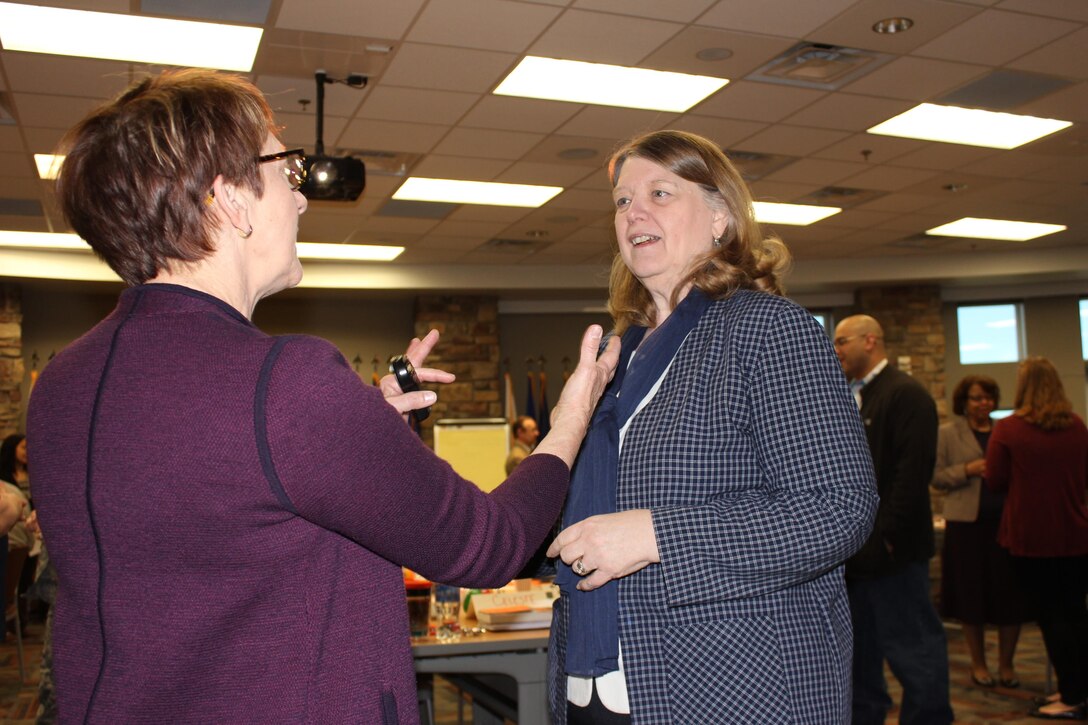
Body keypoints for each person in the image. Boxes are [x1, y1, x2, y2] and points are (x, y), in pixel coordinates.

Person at [27, 68, 620, 723]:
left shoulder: (63, 382)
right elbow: (490, 545)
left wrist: (356, 421)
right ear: (229, 199)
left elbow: (211, 503)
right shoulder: (286, 382)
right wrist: (571, 420)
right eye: (286, 169)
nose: (302, 198)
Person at [545, 129, 878, 724]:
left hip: (732, 684)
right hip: (596, 680)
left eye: (661, 192)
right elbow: (594, 518)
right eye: (622, 201)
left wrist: (657, 536)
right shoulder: (621, 354)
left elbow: (838, 507)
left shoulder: (770, 330)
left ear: (721, 217)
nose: (634, 212)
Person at [834, 314, 952, 725]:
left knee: (914, 651)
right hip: (858, 559)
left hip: (894, 556)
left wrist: (884, 539)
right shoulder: (851, 394)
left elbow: (911, 475)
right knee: (861, 658)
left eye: (842, 341)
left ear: (870, 341)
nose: (836, 350)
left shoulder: (906, 395)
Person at [986, 356, 1088, 721]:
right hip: (1077, 534)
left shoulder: (1010, 428)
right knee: (1077, 615)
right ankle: (1078, 687)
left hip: (1032, 537)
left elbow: (994, 479)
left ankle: (1073, 696)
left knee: (1052, 618)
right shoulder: (1077, 426)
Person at [931, 375, 1029, 689]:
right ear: (964, 402)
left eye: (987, 398)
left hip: (1004, 525)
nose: (982, 404)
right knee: (970, 594)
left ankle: (1007, 665)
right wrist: (967, 470)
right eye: (976, 398)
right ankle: (979, 663)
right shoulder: (947, 432)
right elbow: (935, 476)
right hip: (966, 527)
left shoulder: (1006, 431)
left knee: (1008, 595)